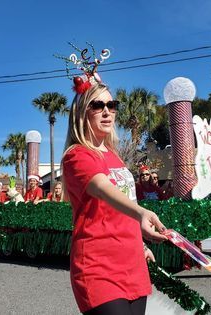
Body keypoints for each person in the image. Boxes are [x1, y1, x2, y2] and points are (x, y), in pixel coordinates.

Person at [62, 64, 168, 315]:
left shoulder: (115, 157)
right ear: (81, 113)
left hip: (133, 264)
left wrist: (140, 243)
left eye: (112, 105)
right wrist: (141, 212)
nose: (107, 112)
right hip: (99, 267)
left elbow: (123, 204)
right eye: (97, 106)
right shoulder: (76, 155)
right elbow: (101, 187)